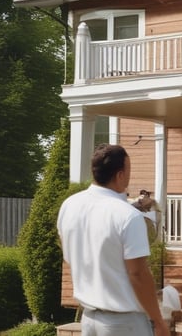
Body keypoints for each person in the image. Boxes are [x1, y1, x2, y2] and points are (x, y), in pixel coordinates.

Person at [57, 143, 171, 336]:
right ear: (120, 175)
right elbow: (138, 274)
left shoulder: (69, 205)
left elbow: (69, 256)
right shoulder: (128, 215)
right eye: (129, 171)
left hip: (89, 318)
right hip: (124, 322)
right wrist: (158, 320)